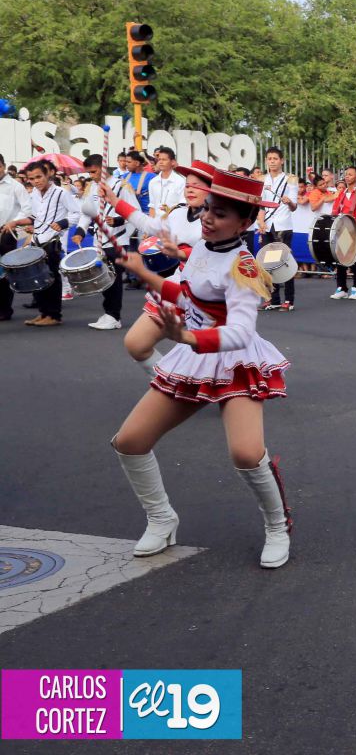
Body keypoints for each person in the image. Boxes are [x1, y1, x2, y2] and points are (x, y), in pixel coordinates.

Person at [110, 170, 292, 568]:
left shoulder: (243, 268)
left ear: (245, 223)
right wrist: (145, 274)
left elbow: (242, 332)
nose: (208, 217)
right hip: (194, 356)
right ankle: (161, 518)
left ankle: (278, 526)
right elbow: (185, 290)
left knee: (245, 453)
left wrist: (190, 337)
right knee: (130, 441)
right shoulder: (203, 245)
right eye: (208, 208)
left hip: (234, 361)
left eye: (220, 213)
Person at [100, 160, 213, 376]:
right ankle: (170, 382)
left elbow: (215, 252)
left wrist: (181, 253)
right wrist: (115, 201)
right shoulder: (178, 214)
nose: (190, 188)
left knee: (210, 359)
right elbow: (149, 225)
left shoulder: (219, 218)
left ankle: (219, 389)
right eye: (187, 184)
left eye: (197, 185)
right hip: (179, 287)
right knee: (136, 344)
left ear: (211, 189)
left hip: (211, 293)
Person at [1, 160, 77, 326]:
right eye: (32, 178)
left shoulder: (60, 193)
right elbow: (35, 217)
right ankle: (43, 313)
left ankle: (54, 315)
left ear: (47, 175)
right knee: (40, 280)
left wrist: (63, 223)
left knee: (52, 279)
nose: (36, 181)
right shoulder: (34, 194)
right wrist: (17, 223)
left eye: (39, 177)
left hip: (51, 241)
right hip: (37, 240)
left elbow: (76, 213)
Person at [72, 153, 138, 331]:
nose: (91, 176)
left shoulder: (121, 185)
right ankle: (108, 312)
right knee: (103, 278)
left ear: (103, 167)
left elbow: (135, 211)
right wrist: (80, 231)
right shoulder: (91, 187)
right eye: (89, 173)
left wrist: (117, 220)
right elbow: (86, 212)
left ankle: (114, 316)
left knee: (114, 279)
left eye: (94, 172)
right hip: (99, 240)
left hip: (117, 238)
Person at [259, 147, 298, 310]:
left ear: (282, 160)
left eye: (275, 158)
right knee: (266, 264)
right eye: (269, 158)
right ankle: (272, 299)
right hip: (267, 225)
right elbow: (260, 204)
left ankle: (289, 300)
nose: (272, 161)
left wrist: (289, 201)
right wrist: (260, 222)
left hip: (283, 225)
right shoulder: (262, 179)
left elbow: (294, 206)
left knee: (285, 262)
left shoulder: (291, 179)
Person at [0, 153, 33, 321]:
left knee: (5, 274)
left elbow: (27, 209)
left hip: (6, 233)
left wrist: (12, 222)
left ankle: (5, 310)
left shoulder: (15, 186)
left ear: (3, 166)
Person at [330, 166, 356, 301]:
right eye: (346, 174)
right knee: (340, 259)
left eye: (350, 174)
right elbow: (334, 211)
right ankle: (341, 288)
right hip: (342, 230)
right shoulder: (341, 193)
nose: (347, 176)